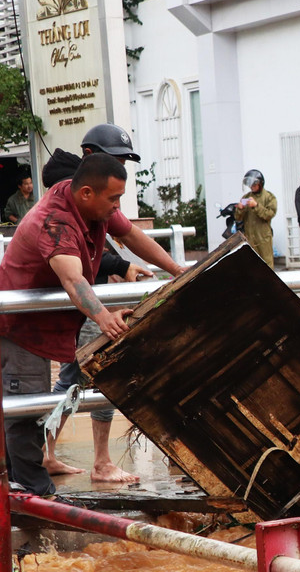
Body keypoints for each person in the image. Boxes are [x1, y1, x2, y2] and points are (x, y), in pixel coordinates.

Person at [0, 153, 185, 494]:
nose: (117, 207)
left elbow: (131, 236)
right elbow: (73, 279)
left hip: (52, 325)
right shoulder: (55, 222)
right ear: (87, 193)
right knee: (26, 408)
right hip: (21, 327)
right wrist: (103, 316)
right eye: (114, 199)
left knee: (36, 404)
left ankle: (22, 485)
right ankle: (33, 493)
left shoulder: (89, 204)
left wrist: (177, 270)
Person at [37, 136, 153, 484]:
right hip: (89, 301)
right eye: (115, 158)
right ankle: (100, 461)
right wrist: (122, 267)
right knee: (103, 372)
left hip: (88, 299)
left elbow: (122, 236)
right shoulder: (77, 190)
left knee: (73, 378)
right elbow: (84, 253)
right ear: (91, 157)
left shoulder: (92, 191)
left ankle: (48, 452)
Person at [233, 169, 277, 266]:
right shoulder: (246, 197)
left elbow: (269, 214)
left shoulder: (269, 197)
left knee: (266, 263)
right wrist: (240, 209)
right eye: (250, 185)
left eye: (254, 185)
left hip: (263, 238)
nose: (251, 187)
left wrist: (256, 206)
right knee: (252, 264)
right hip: (249, 237)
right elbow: (238, 218)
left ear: (260, 184)